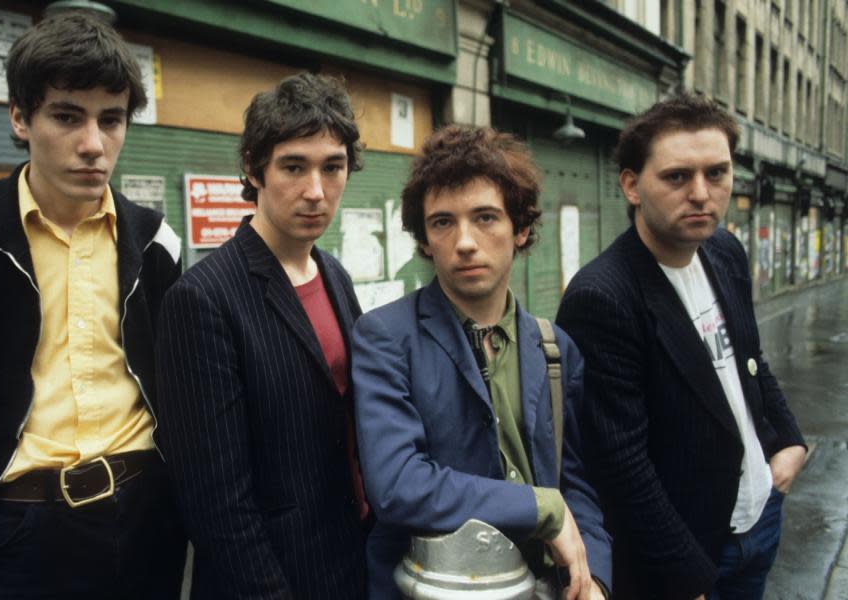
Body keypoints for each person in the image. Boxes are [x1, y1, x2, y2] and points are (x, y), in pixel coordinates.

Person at [0, 13, 185, 598]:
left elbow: (174, 384)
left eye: (111, 120)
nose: (92, 144)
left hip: (147, 512)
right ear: (19, 117)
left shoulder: (158, 242)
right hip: (23, 526)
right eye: (66, 115)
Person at [556, 94, 806, 599]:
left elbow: (749, 363)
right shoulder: (602, 297)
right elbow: (622, 465)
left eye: (717, 173)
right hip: (688, 557)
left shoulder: (724, 251)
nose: (701, 193)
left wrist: (788, 442)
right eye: (677, 177)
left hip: (758, 518)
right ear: (631, 184)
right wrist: (684, 579)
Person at [352, 125, 611, 600]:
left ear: (522, 228)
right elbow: (397, 485)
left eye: (486, 218)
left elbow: (577, 481)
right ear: (425, 240)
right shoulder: (386, 337)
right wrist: (539, 507)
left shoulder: (555, 349)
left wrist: (592, 576)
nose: (465, 241)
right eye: (443, 222)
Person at [156, 72, 368, 598]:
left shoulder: (334, 275)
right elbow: (214, 500)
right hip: (271, 578)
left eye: (332, 168)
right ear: (254, 169)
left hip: (351, 560)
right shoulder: (202, 298)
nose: (315, 191)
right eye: (294, 166)